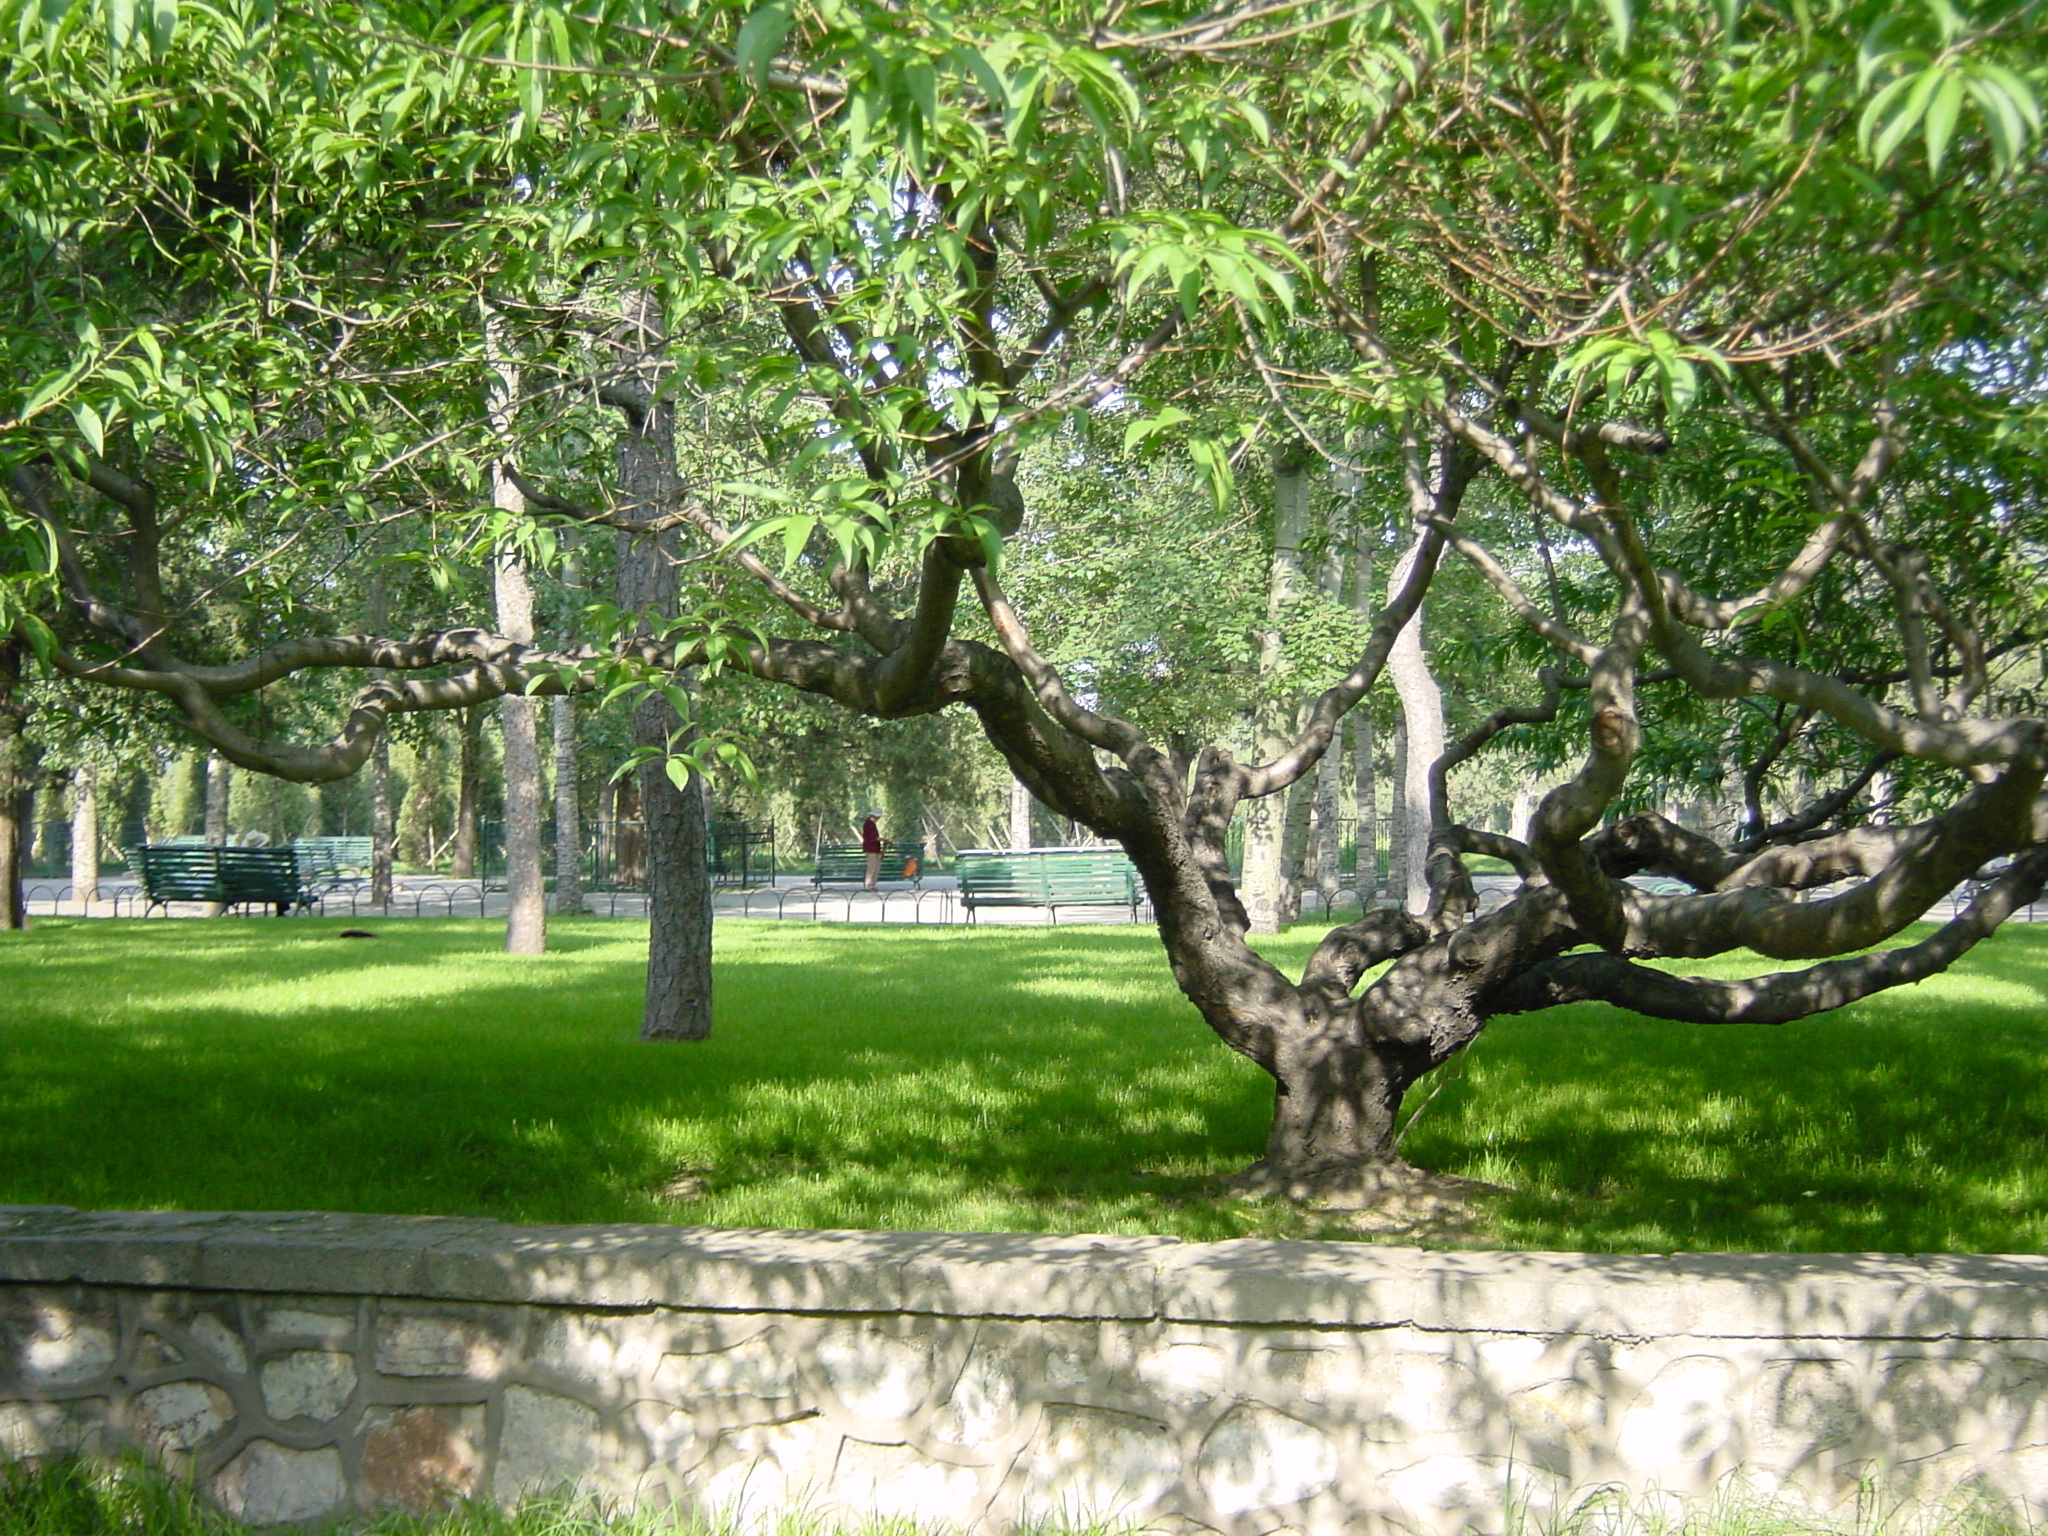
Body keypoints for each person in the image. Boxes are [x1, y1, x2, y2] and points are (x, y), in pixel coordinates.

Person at [860, 811, 883, 891]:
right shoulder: (869, 824)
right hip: (871, 848)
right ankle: (868, 885)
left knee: (876, 867)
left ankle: (872, 884)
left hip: (875, 849)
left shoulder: (871, 823)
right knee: (872, 867)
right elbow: (872, 837)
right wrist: (882, 839)